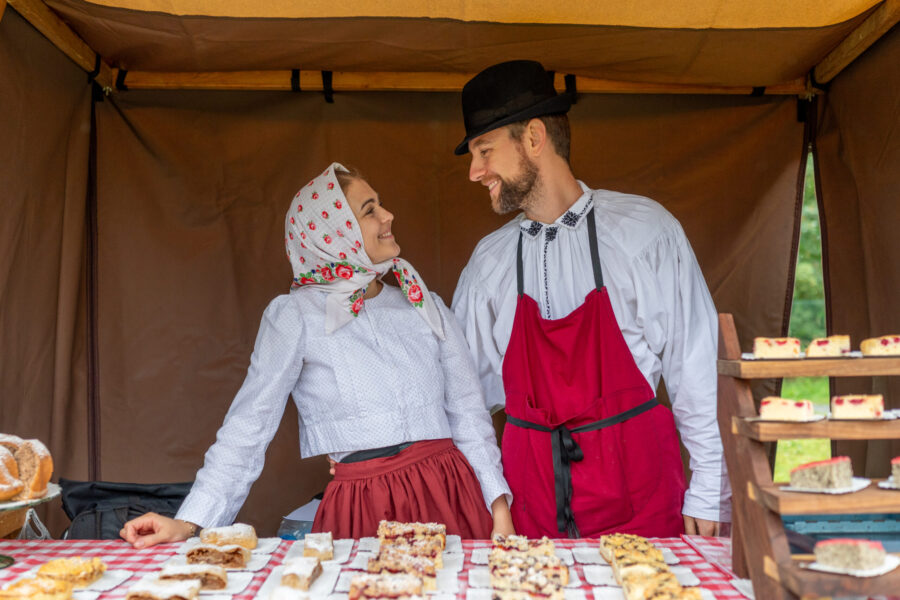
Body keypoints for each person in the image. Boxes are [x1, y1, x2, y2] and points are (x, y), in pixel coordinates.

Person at [120, 162, 512, 548]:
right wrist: (189, 523)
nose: (388, 215)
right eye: (370, 209)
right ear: (332, 233)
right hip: (364, 509)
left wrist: (499, 511)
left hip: (451, 494)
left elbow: (469, 415)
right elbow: (248, 428)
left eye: (381, 204)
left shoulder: (424, 305)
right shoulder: (295, 317)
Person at [451, 60, 731, 539]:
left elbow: (696, 366)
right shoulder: (488, 265)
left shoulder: (645, 233)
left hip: (642, 502)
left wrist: (710, 488)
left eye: (484, 151)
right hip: (531, 513)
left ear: (534, 138)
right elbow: (457, 394)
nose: (475, 172)